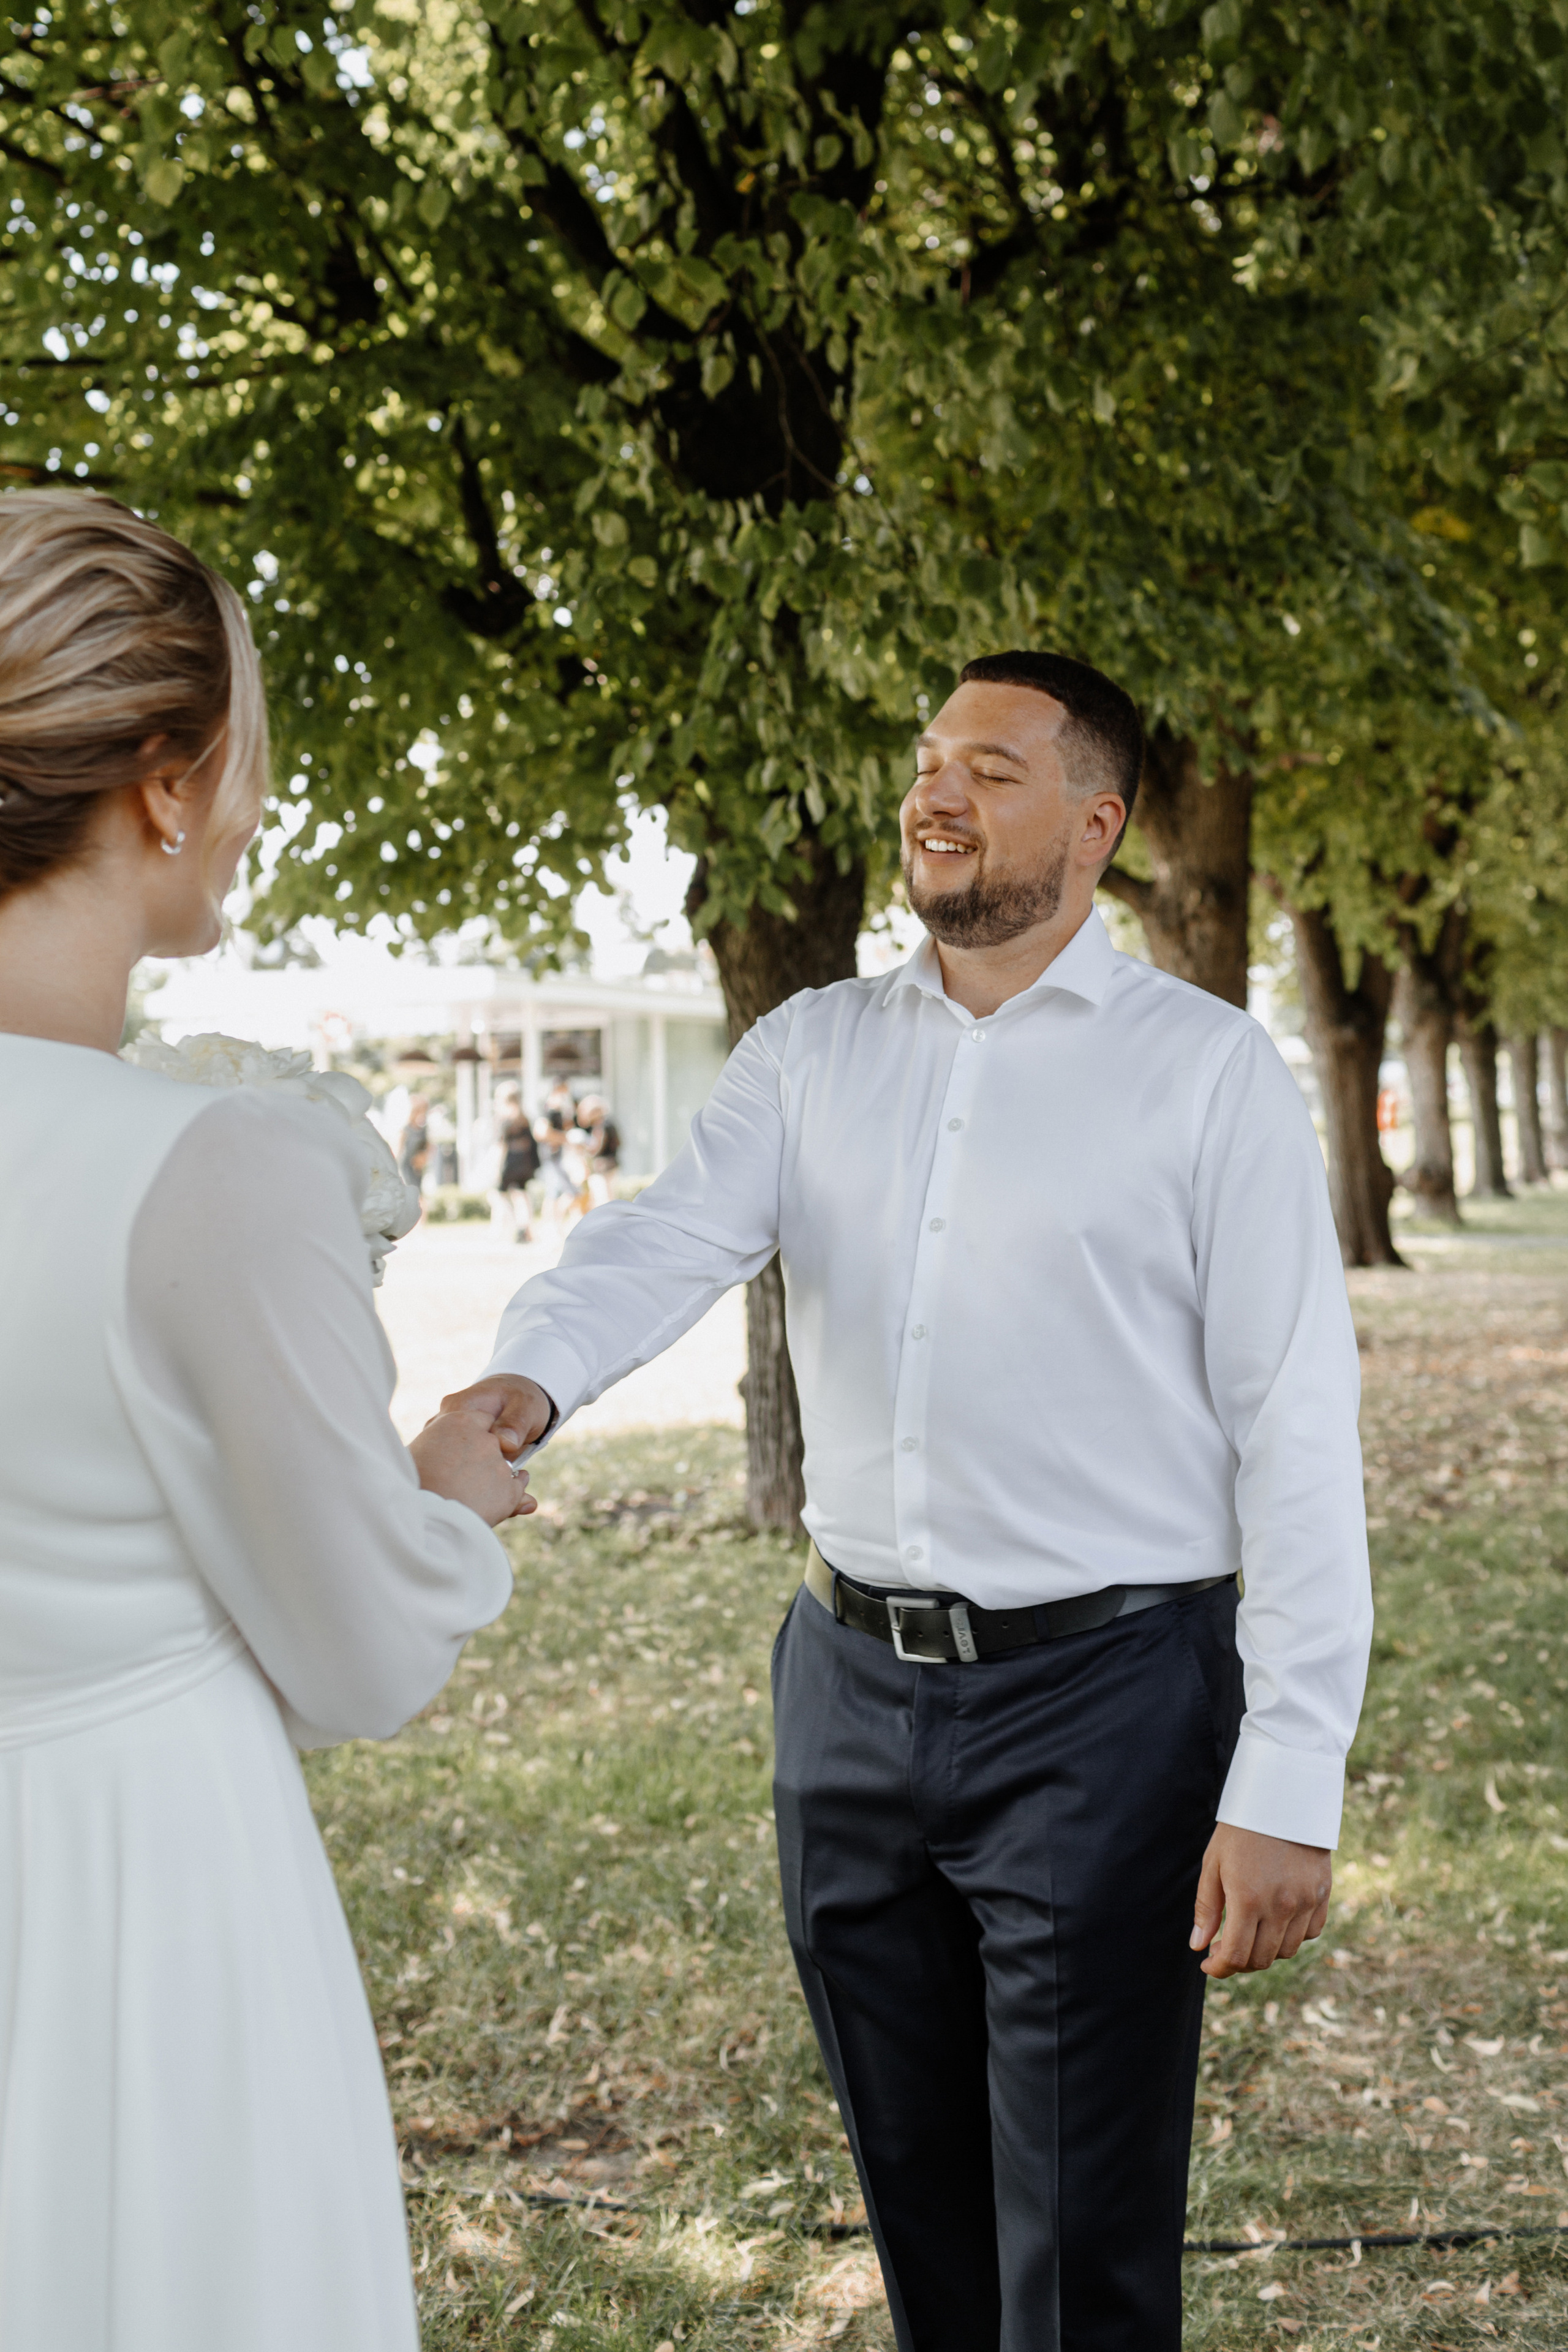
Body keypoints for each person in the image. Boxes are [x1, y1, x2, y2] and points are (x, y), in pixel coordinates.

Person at [443, 649, 1372, 2352]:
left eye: (992, 768)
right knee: (918, 2195)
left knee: (1079, 2243)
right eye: (928, 759)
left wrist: (1290, 1773)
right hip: (847, 1696)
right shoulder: (812, 1052)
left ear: (1096, 824)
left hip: (1108, 1704)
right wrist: (528, 1379)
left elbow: (1295, 1426)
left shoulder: (1209, 1072)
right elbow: (665, 1240)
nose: (934, 792)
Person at [0, 489, 532, 2352]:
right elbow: (364, 1651)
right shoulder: (212, 1168)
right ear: (160, 778)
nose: (247, 805)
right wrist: (443, 1496)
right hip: (145, 1896)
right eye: (239, 756)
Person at [489, 1081, 540, 1242]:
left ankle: (508, 1229)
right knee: (522, 1196)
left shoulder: (505, 1121)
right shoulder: (525, 1120)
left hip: (509, 1165)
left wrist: (496, 1168)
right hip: (525, 1165)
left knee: (498, 1196)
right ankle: (525, 1229)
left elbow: (501, 1146)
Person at [398, 1091, 431, 1189]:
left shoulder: (424, 1129)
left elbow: (428, 1146)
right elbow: (400, 1149)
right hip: (407, 1164)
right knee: (410, 1188)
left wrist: (423, 1158)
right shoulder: (406, 1129)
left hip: (417, 1165)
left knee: (418, 1189)